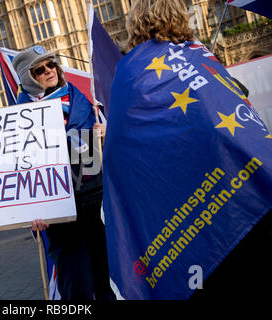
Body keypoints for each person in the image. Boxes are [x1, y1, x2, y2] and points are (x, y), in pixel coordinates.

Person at [103, 0, 272, 299]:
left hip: (189, 219)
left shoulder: (130, 73)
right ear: (180, 16)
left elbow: (118, 150)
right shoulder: (199, 53)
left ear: (134, 25)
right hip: (244, 188)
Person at [12, 45, 114, 300]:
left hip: (93, 200)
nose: (49, 71)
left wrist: (102, 136)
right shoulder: (19, 116)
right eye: (39, 70)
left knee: (105, 281)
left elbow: (90, 159)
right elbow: (21, 170)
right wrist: (31, 213)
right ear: (29, 78)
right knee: (75, 285)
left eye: (51, 65)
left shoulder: (79, 98)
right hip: (58, 210)